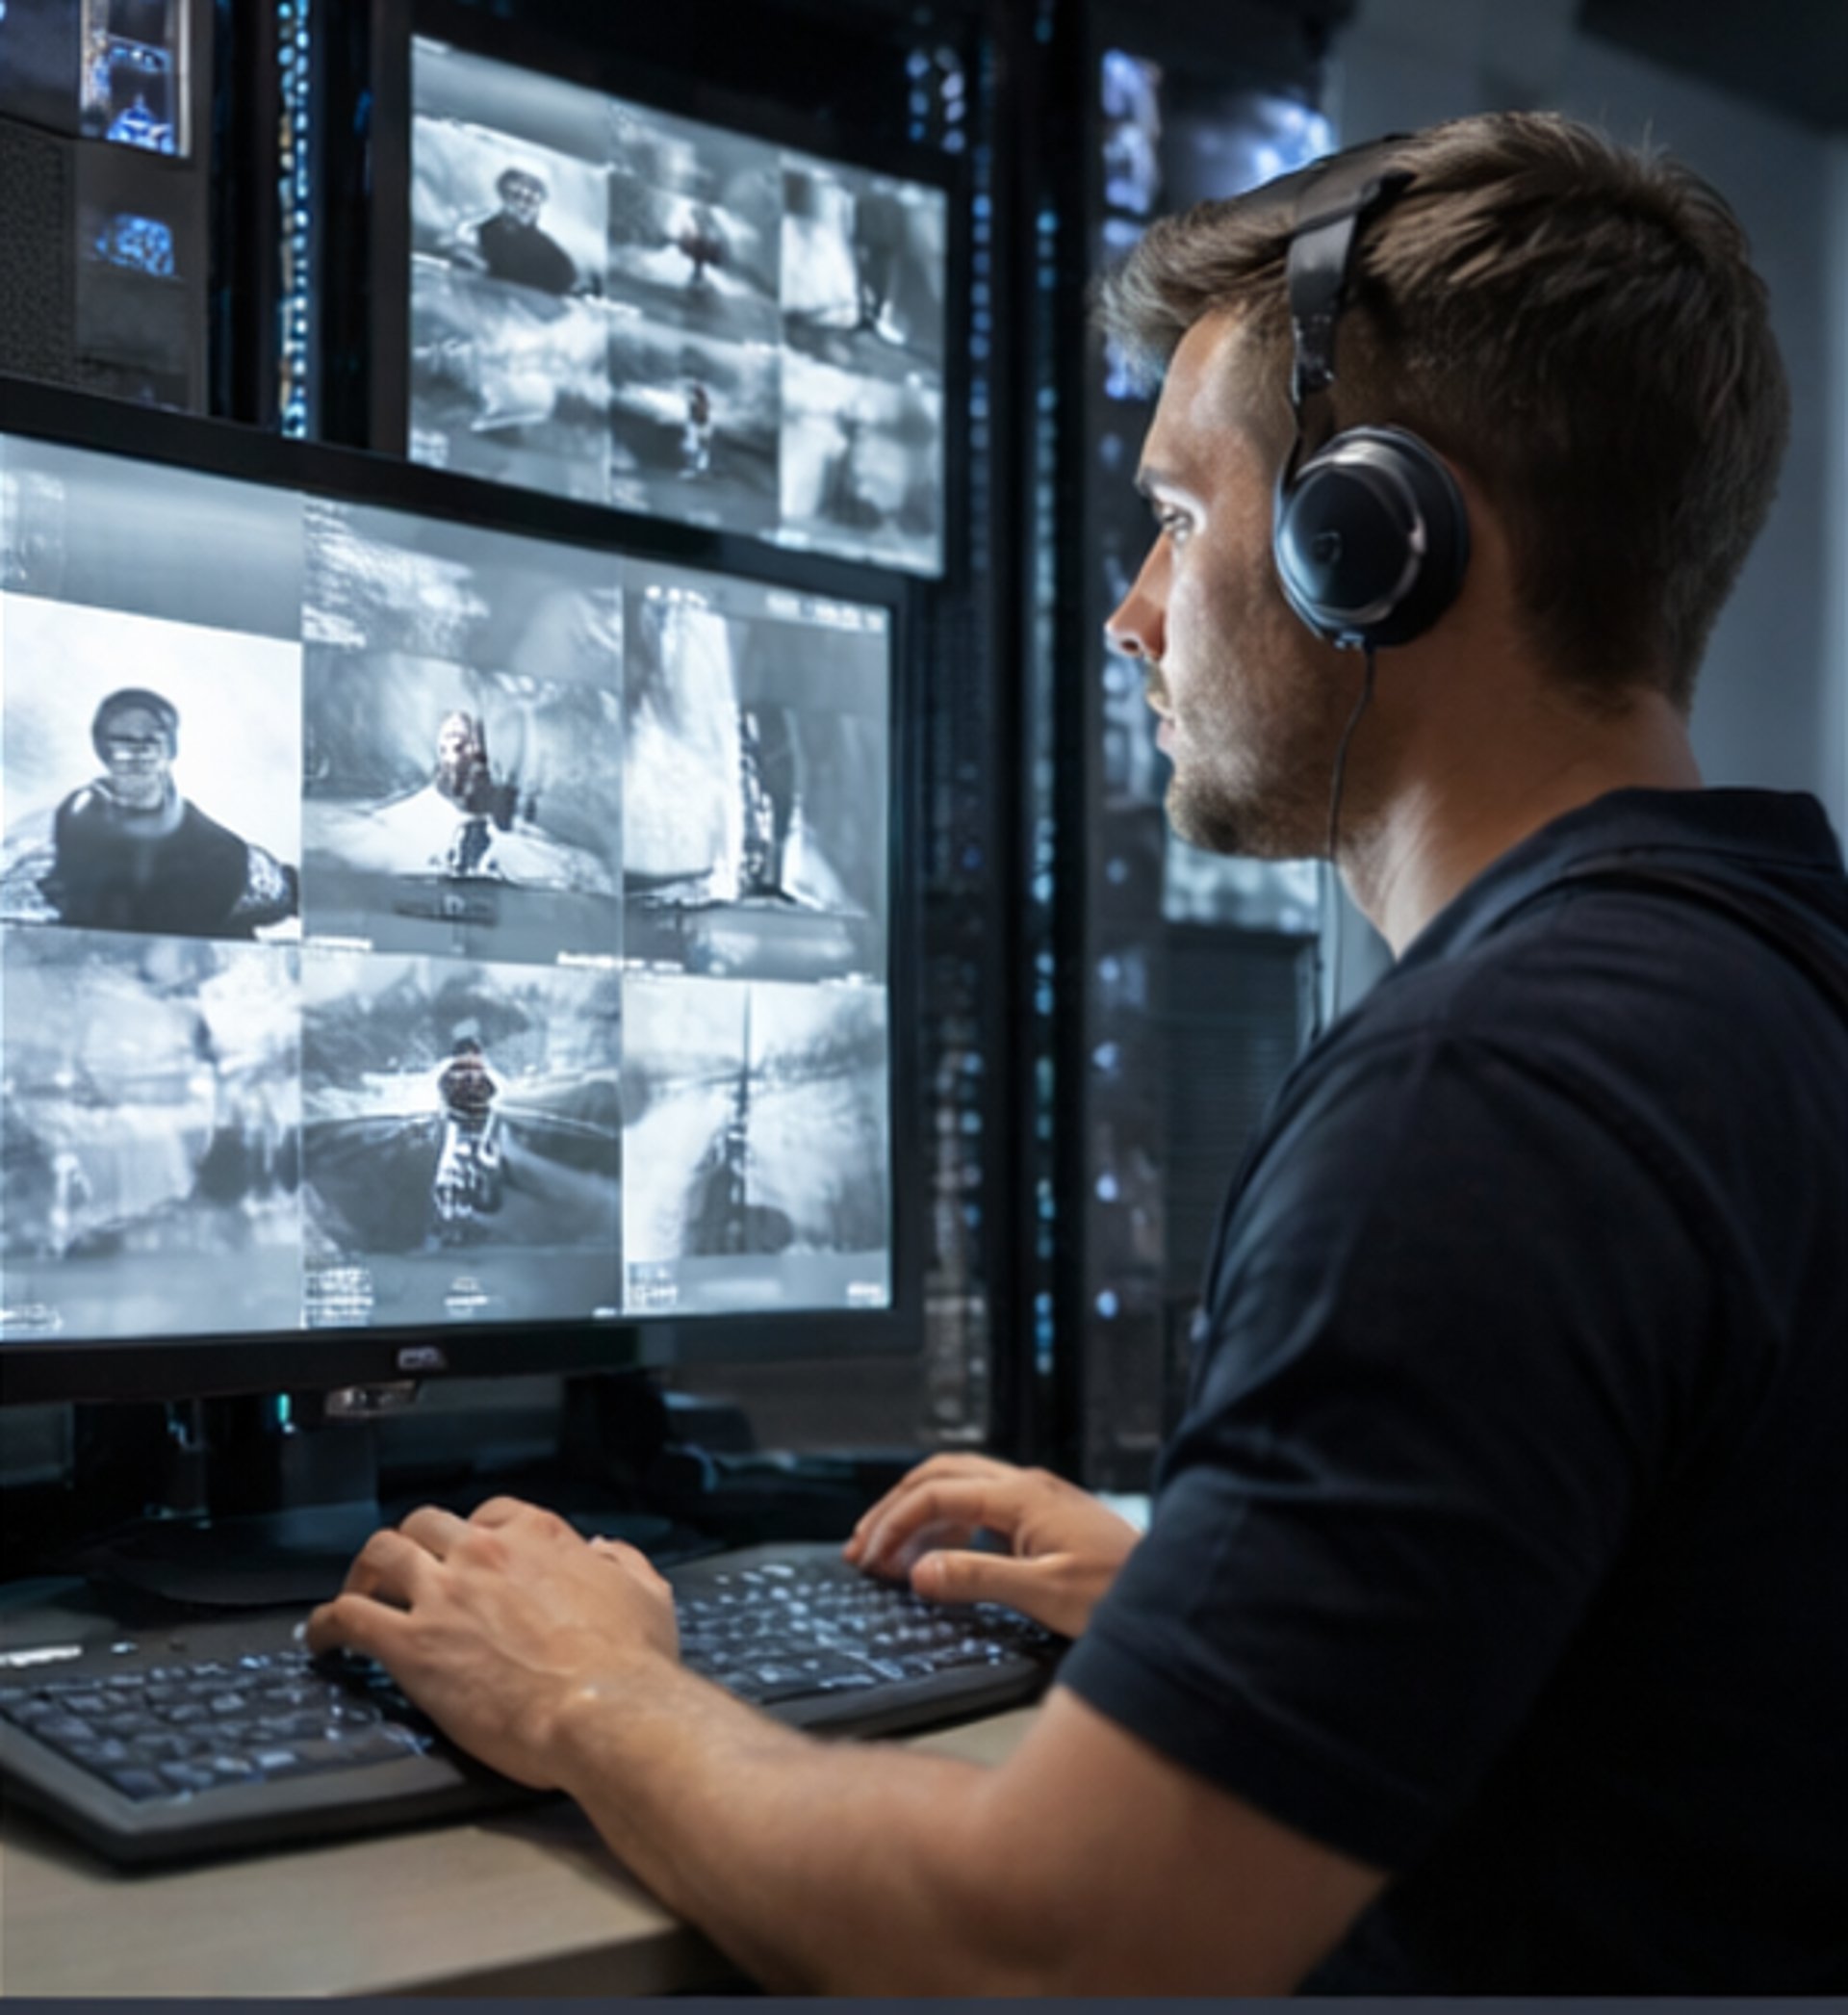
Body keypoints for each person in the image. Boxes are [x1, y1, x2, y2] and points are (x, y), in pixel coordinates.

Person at [307, 112, 1848, 1993]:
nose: (1130, 611)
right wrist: (1234, 1620)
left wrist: (585, 1686)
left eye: (1183, 518)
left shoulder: (1492, 1093)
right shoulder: (1767, 983)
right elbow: (1701, 1664)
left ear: (1376, 543)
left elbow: (1056, 1945)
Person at [38, 687, 298, 940]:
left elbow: (291, 894)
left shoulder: (223, 853)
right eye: (123, 740)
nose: (137, 751)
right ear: (103, 750)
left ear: (170, 749)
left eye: (151, 739)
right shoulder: (59, 832)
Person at [465, 167, 580, 298]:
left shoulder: (553, 256)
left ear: (539, 205)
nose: (523, 205)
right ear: (504, 197)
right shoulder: (476, 233)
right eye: (516, 196)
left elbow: (566, 283)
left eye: (531, 200)